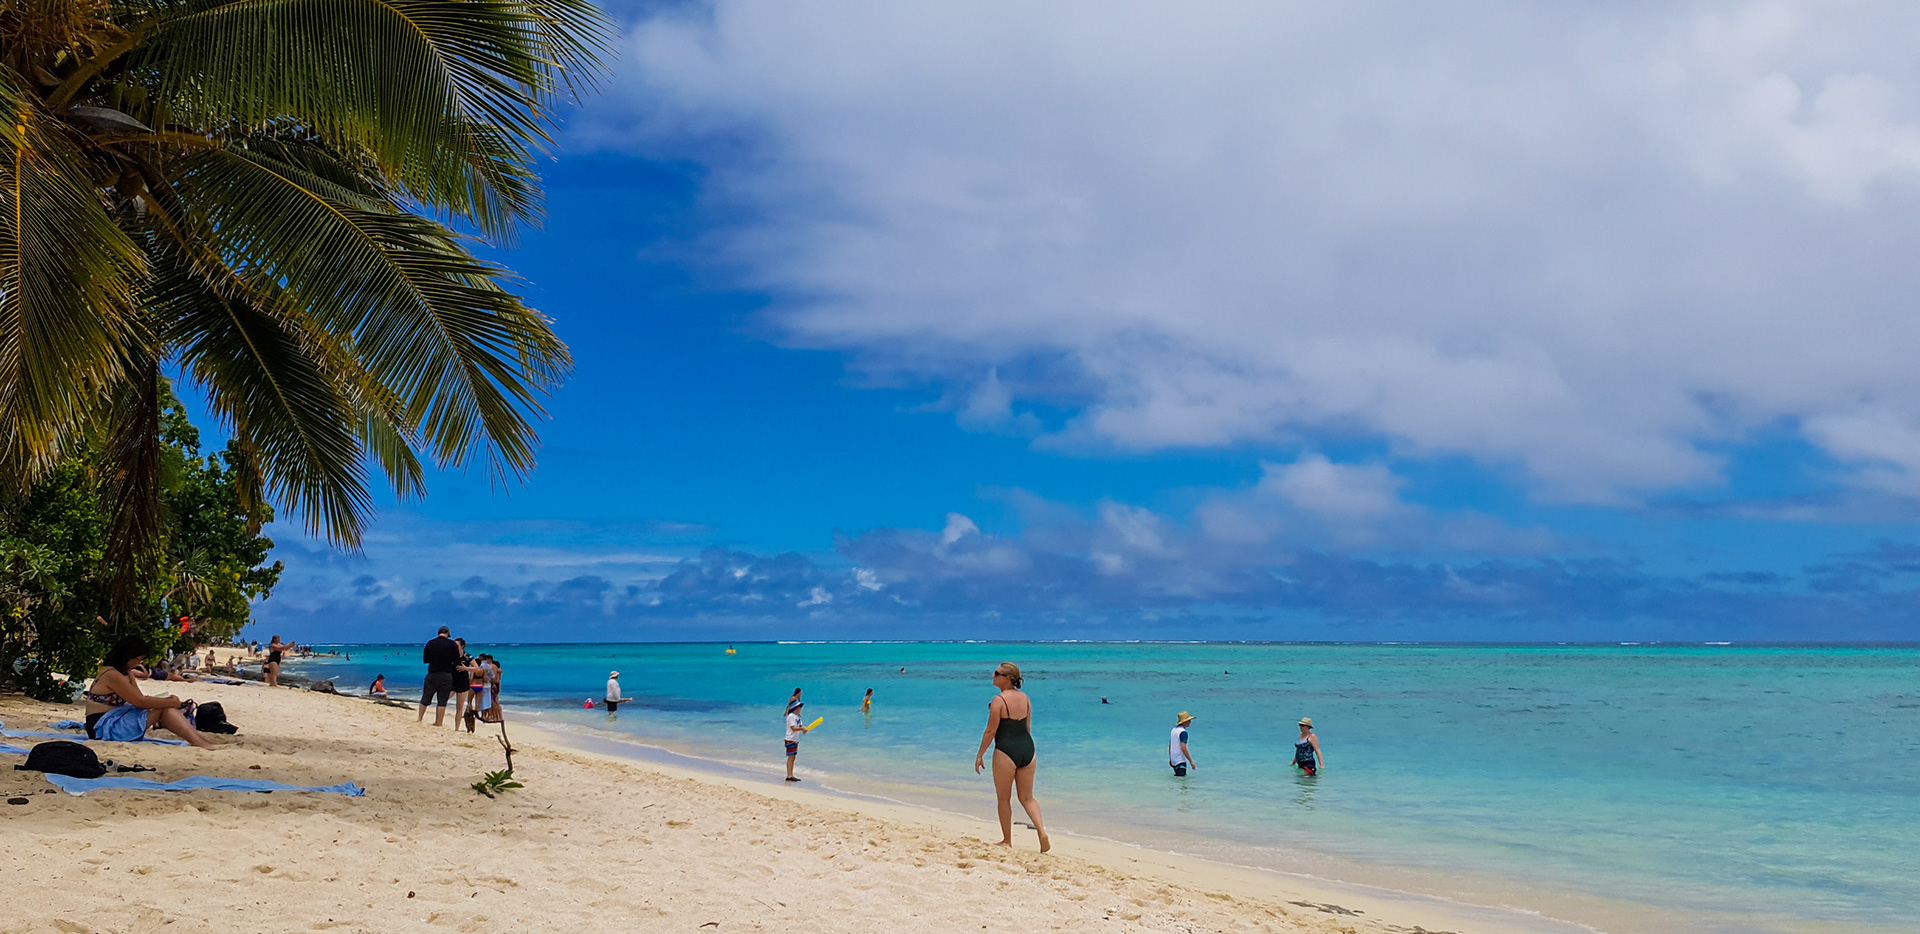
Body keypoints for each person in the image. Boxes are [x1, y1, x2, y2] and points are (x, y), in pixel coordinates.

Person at [84, 638, 220, 749]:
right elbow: (140, 702)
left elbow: (139, 698)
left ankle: (200, 740)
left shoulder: (126, 673)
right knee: (165, 708)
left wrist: (166, 701)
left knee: (165, 706)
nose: (139, 663)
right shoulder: (112, 674)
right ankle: (199, 742)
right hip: (102, 727)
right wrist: (170, 702)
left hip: (115, 719)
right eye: (139, 659)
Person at [974, 662, 1049, 852]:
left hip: (1006, 751)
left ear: (1007, 678)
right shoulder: (1026, 698)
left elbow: (991, 731)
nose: (993, 675)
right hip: (1028, 749)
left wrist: (980, 754)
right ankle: (1041, 831)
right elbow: (1027, 728)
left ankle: (1007, 840)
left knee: (1003, 798)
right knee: (1027, 797)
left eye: (997, 673)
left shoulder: (999, 700)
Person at [417, 626, 459, 726]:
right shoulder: (452, 644)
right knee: (442, 701)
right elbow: (456, 661)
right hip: (446, 675)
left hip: (433, 673)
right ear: (447, 633)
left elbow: (426, 660)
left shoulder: (430, 643)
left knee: (426, 697)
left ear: (438, 633)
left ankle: (419, 719)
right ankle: (438, 722)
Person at [784, 699, 811, 781]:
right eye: (799, 707)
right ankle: (789, 775)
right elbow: (793, 728)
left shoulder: (798, 717)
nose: (800, 709)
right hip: (790, 739)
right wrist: (802, 728)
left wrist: (804, 729)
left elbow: (800, 726)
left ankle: (791, 774)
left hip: (795, 739)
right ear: (795, 708)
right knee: (791, 757)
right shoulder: (791, 716)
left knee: (793, 757)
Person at [451, 638, 474, 725]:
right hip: (451, 681)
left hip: (463, 683)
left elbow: (477, 668)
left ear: (462, 646)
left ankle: (457, 727)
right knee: (443, 700)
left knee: (459, 707)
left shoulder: (467, 656)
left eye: (456, 645)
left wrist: (465, 668)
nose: (454, 647)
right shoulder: (451, 655)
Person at [1169, 711, 1196, 776]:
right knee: (1182, 780)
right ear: (1185, 722)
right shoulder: (1183, 732)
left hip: (1174, 760)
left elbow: (1170, 745)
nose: (1190, 722)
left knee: (1178, 779)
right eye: (1189, 720)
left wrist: (1171, 758)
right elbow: (1183, 748)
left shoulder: (1173, 730)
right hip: (1180, 760)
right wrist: (1191, 761)